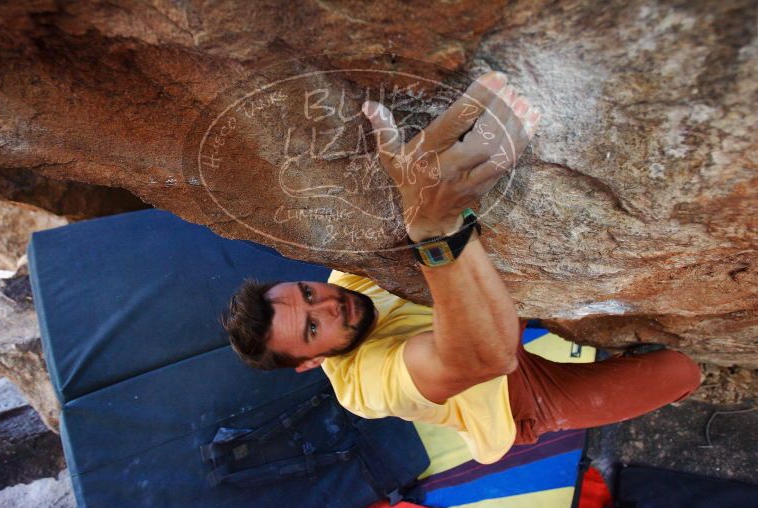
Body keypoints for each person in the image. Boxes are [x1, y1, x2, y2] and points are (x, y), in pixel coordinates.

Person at [222, 72, 702, 464]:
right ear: (311, 363)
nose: (328, 304)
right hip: (513, 399)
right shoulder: (364, 387)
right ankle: (651, 373)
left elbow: (404, 209)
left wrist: (403, 177)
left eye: (307, 293)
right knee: (681, 371)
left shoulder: (347, 285)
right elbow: (489, 358)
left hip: (494, 320)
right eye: (311, 327)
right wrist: (437, 232)